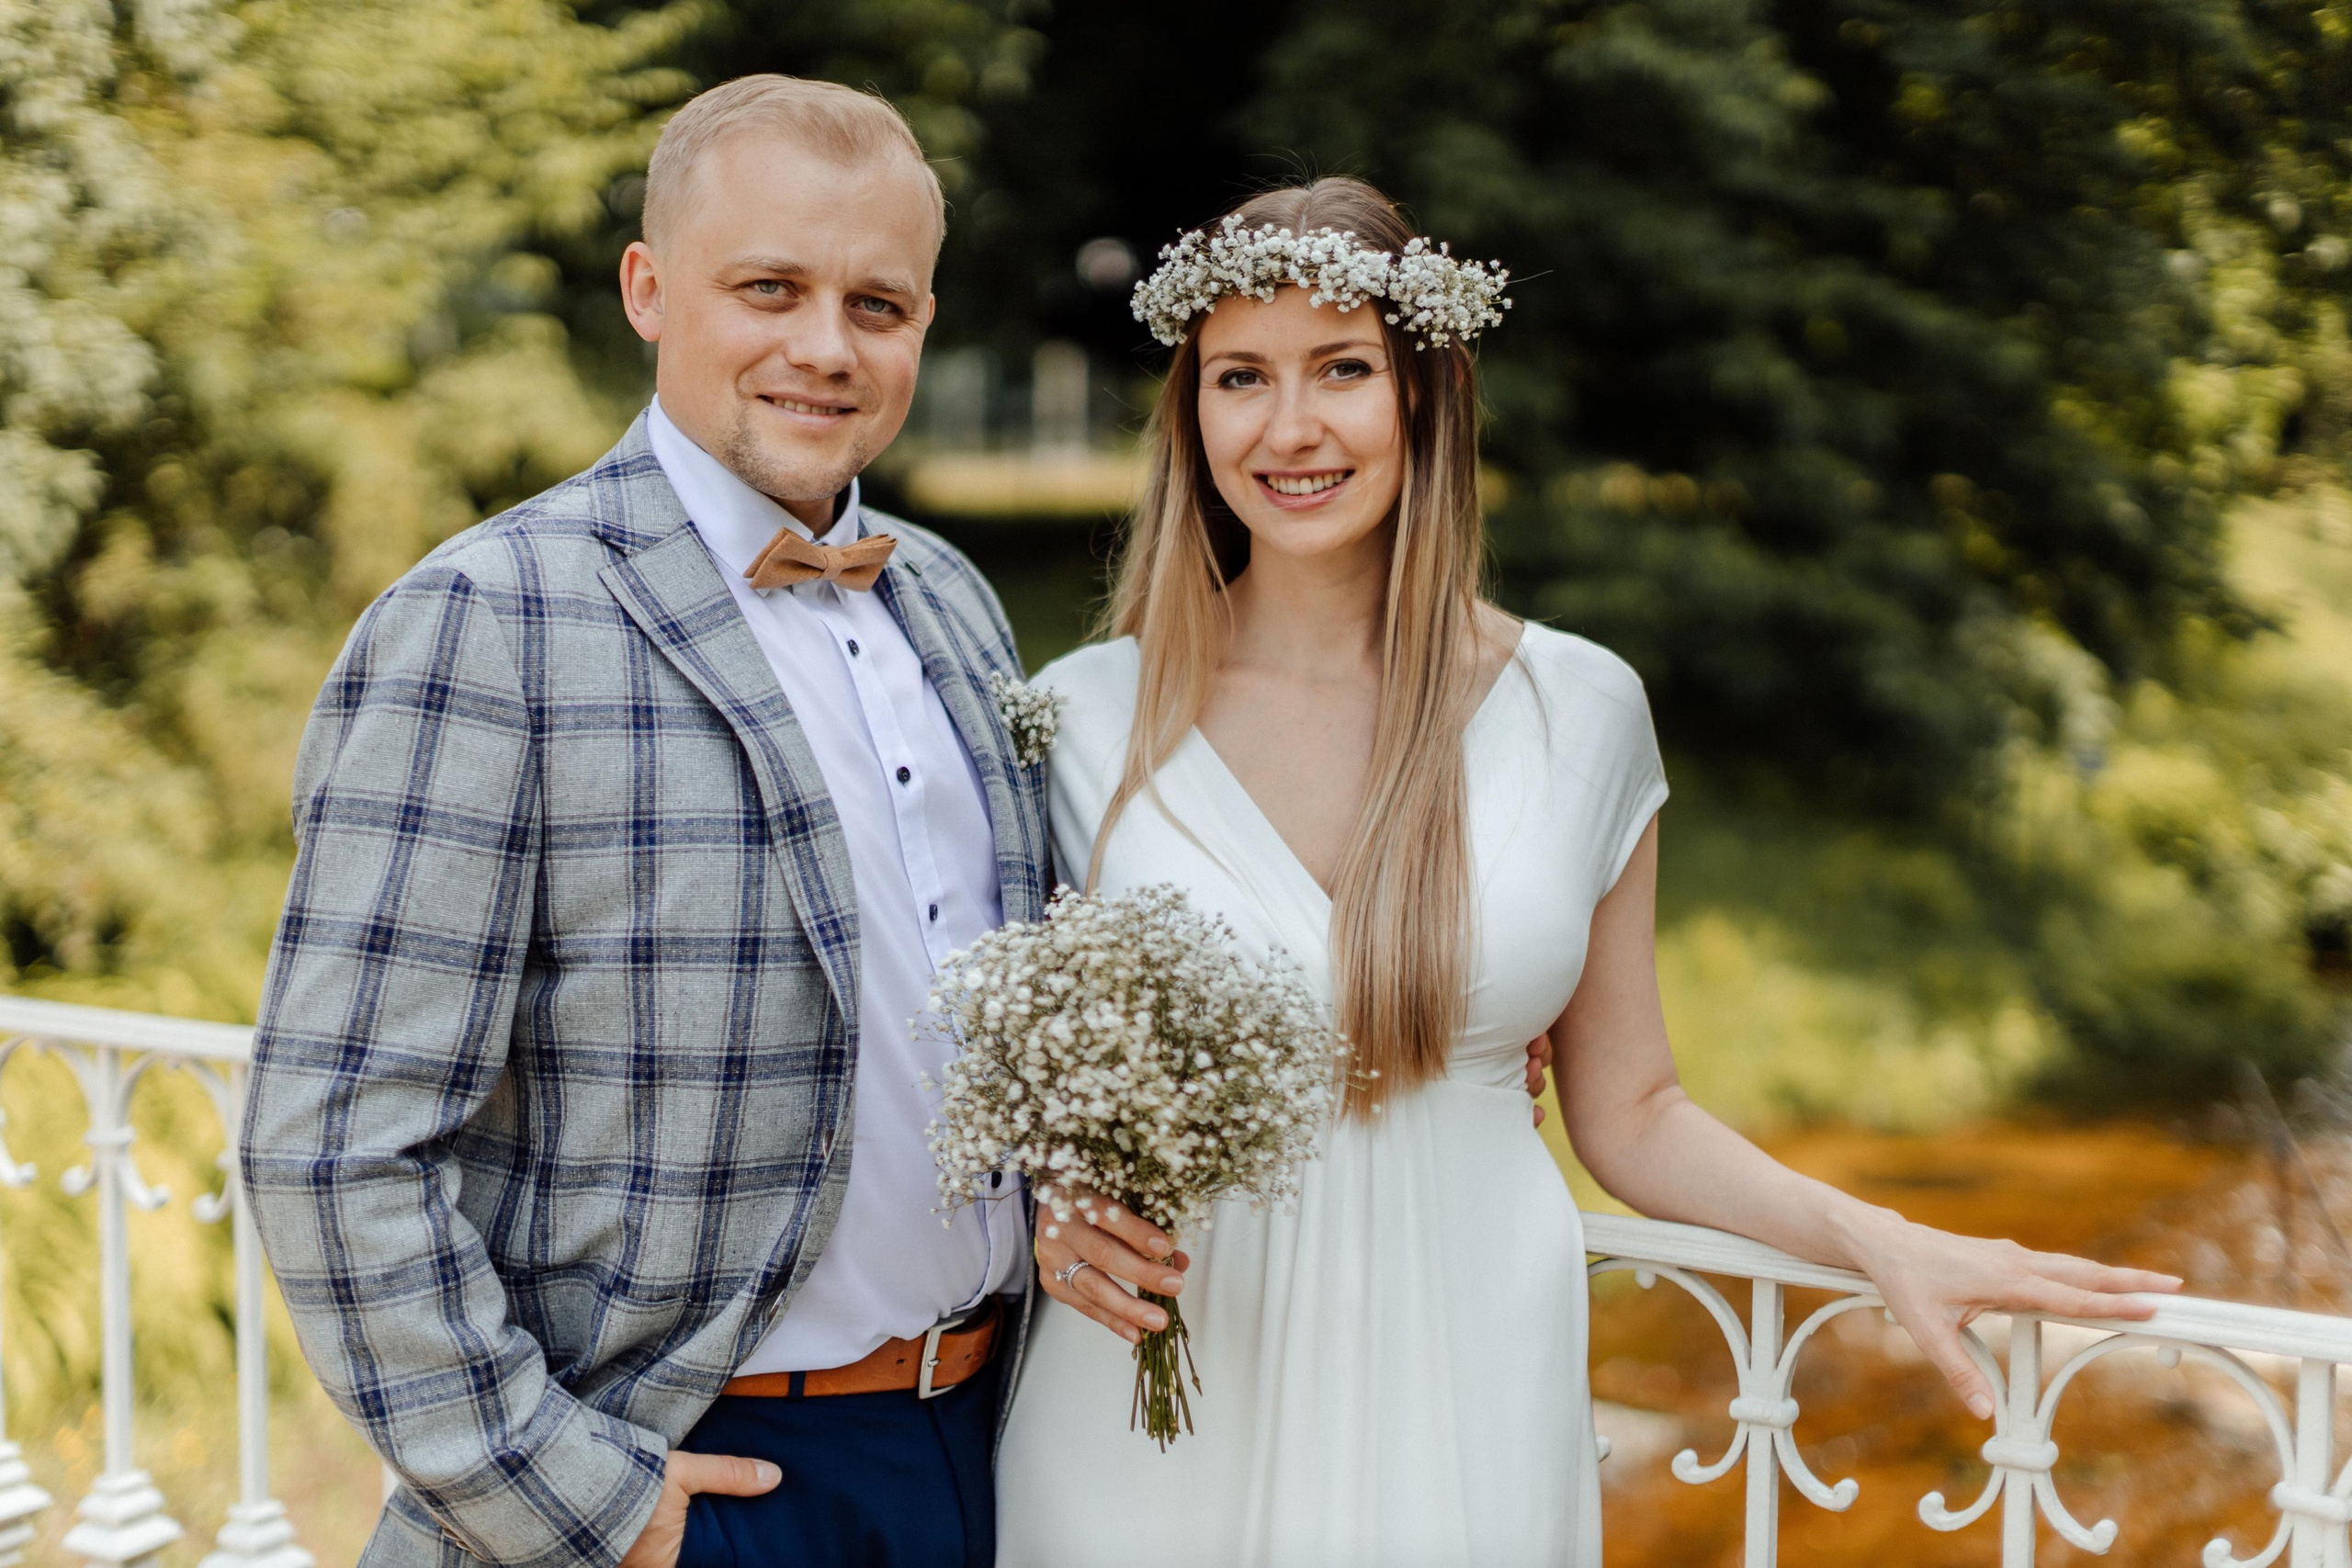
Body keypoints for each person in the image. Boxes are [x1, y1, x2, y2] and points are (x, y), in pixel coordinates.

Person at [993, 176, 2185, 1567]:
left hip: (1464, 1386)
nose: (1290, 427)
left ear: (1427, 396)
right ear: (1190, 417)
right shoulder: (1077, 720)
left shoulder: (1580, 710)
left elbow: (1633, 1110)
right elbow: (975, 1078)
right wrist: (1046, 1199)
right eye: (1240, 378)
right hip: (1162, 1406)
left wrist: (1883, 1239)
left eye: (1344, 371)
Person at [241, 75, 1051, 1568]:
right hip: (681, 1478)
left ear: (925, 323)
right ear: (649, 289)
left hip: (987, 1445)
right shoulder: (487, 623)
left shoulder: (952, 599)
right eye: (770, 289)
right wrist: (576, 1504)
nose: (825, 345)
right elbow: (335, 1145)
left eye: (878, 304)